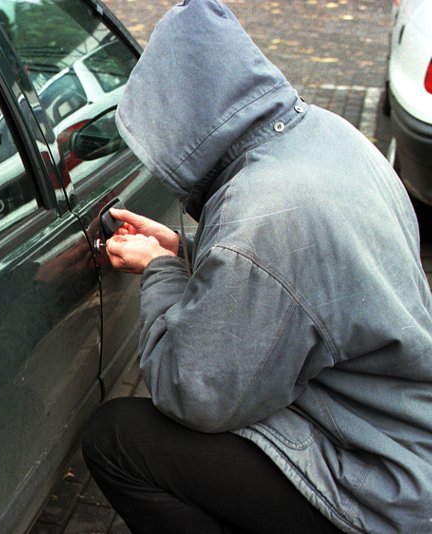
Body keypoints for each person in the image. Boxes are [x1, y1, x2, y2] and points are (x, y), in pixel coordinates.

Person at [81, 1, 432, 532]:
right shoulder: (329, 136)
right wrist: (186, 248)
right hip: (405, 440)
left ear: (182, 116)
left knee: (116, 440)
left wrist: (160, 269)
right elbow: (302, 279)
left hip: (377, 486)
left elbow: (192, 393)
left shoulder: (262, 217)